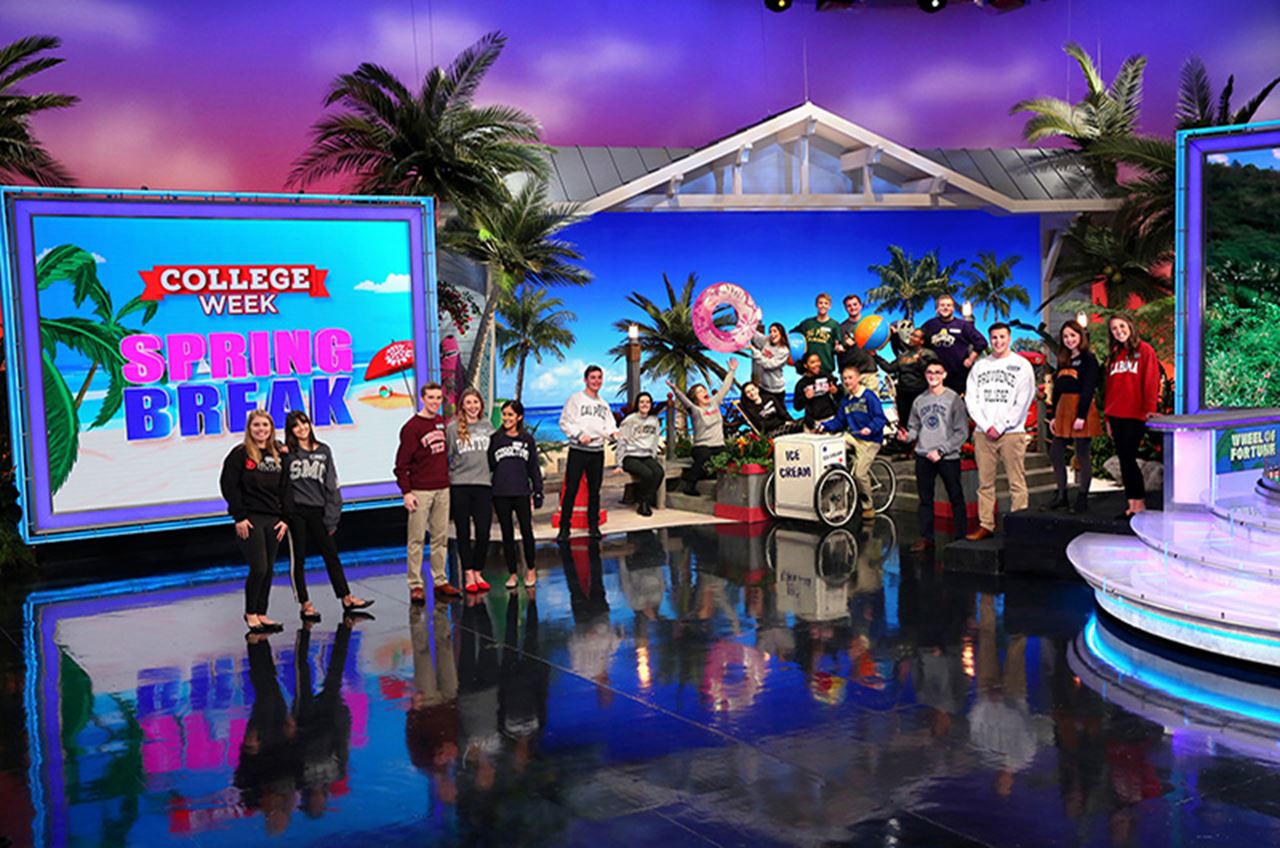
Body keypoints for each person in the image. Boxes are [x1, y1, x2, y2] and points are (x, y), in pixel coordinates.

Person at [282, 410, 373, 621]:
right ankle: (305, 604)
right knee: (299, 559)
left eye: (304, 423)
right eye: (296, 426)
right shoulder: (287, 453)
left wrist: (332, 516)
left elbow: (332, 485)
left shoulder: (324, 450)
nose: (302, 428)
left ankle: (346, 597)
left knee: (331, 555)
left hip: (319, 511)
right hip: (296, 513)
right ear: (291, 430)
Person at [220, 409, 290, 634]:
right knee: (258, 567)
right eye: (257, 425)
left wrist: (286, 519)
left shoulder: (279, 454)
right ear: (250, 429)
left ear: (271, 429)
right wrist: (239, 516)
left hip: (274, 519)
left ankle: (262, 612)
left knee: (269, 569)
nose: (261, 429)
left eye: (265, 426)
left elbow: (287, 488)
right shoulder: (240, 454)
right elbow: (229, 486)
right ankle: (250, 613)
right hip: (250, 519)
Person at [964, 323, 1035, 540]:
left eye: (1002, 337)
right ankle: (986, 524)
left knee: (1016, 481)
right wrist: (985, 426)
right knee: (985, 483)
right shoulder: (980, 366)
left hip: (1012, 432)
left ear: (1009, 338)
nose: (998, 341)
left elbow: (1024, 400)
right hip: (984, 434)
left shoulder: (1022, 365)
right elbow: (971, 398)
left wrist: (1003, 425)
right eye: (994, 338)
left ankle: (1020, 526)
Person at [396, 382, 459, 603]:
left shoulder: (441, 423)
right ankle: (415, 583)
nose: (434, 402)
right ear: (422, 398)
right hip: (420, 490)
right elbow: (401, 465)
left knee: (440, 537)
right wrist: (406, 492)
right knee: (416, 539)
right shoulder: (411, 427)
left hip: (442, 488)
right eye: (430, 397)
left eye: (438, 398)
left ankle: (440, 579)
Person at [898, 361, 970, 551]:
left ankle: (961, 536)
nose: (933, 375)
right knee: (925, 500)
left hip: (947, 457)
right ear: (925, 375)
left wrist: (941, 451)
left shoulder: (954, 399)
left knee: (956, 497)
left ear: (944, 375)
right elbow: (914, 427)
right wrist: (907, 437)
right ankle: (926, 538)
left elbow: (961, 432)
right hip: (923, 455)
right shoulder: (919, 400)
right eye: (930, 372)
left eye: (938, 372)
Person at [1104, 313, 1161, 519]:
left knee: (1128, 459)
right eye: (1114, 329)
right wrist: (1108, 418)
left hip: (1135, 415)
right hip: (1116, 414)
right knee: (1125, 460)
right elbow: (1109, 388)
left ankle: (1140, 504)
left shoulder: (1145, 350)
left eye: (1121, 326)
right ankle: (1131, 504)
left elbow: (1151, 380)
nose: (1119, 331)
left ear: (1130, 325)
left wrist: (1149, 408)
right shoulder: (1114, 354)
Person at [815, 362, 888, 519]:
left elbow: (880, 418)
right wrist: (824, 426)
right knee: (832, 443)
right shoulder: (846, 400)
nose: (847, 381)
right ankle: (839, 476)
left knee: (861, 474)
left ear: (858, 378)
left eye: (850, 378)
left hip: (870, 440)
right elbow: (839, 421)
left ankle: (868, 506)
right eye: (845, 378)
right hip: (853, 437)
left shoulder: (869, 396)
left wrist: (870, 428)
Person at [1046, 320, 1102, 514]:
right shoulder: (1063, 360)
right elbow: (1057, 391)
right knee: (1055, 452)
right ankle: (1062, 495)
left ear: (1081, 336)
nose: (1069, 340)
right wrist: (1053, 416)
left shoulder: (1089, 359)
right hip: (1063, 408)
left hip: (1081, 408)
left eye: (1073, 335)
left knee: (1082, 455)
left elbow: (1088, 388)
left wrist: (1081, 415)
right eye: (1066, 336)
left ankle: (1082, 497)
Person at [557, 365, 618, 541]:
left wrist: (614, 434)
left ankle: (594, 526)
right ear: (585, 380)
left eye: (599, 377)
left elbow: (609, 427)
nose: (596, 381)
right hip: (578, 451)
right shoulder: (575, 399)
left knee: (594, 491)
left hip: (597, 452)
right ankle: (564, 528)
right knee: (571, 491)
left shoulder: (604, 405)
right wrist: (578, 435)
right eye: (593, 377)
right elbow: (564, 422)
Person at [488, 400, 545, 589]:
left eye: (510, 414)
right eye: (504, 414)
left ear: (519, 417)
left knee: (526, 531)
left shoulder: (527, 439)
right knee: (506, 534)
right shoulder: (495, 439)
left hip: (521, 492)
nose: (506, 418)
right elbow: (491, 465)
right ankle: (512, 573)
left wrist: (538, 491)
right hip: (501, 493)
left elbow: (533, 467)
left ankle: (530, 568)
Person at [447, 388, 495, 594]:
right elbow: (447, 457)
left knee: (484, 532)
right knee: (463, 532)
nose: (472, 406)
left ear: (481, 405)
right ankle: (468, 573)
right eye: (468, 403)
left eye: (476, 402)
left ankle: (478, 570)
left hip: (484, 485)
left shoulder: (488, 426)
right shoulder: (452, 428)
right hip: (460, 485)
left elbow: (494, 456)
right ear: (462, 406)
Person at [667, 359, 738, 496]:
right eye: (700, 391)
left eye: (704, 389)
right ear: (695, 397)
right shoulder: (695, 410)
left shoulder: (715, 403)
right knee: (705, 457)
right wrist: (675, 390)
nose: (704, 391)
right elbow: (685, 401)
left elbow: (725, 387)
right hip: (702, 446)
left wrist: (732, 370)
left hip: (718, 445)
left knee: (729, 458)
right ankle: (690, 484)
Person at [921, 294, 988, 394]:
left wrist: (971, 359)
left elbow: (981, 342)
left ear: (953, 308)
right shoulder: (929, 325)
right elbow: (917, 342)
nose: (945, 308)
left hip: (958, 375)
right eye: (942, 305)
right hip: (935, 376)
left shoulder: (963, 325)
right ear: (937, 309)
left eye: (949, 305)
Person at [616, 392, 664, 516]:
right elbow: (622, 441)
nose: (645, 404)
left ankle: (645, 500)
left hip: (646, 456)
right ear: (637, 404)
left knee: (659, 472)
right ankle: (643, 503)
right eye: (642, 402)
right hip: (630, 456)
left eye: (647, 402)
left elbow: (654, 440)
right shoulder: (630, 420)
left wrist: (653, 457)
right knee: (647, 474)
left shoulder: (654, 421)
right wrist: (619, 464)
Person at [885, 326, 940, 428]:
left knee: (922, 422)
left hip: (920, 393)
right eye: (912, 335)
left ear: (922, 341)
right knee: (905, 423)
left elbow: (934, 373)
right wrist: (875, 356)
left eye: (915, 336)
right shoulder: (903, 355)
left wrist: (921, 361)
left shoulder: (929, 354)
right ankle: (906, 442)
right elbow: (890, 368)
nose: (911, 337)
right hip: (903, 393)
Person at [837, 294, 883, 392]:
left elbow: (881, 343)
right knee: (852, 406)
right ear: (845, 308)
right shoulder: (840, 328)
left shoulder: (871, 324)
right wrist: (840, 348)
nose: (852, 307)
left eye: (855, 304)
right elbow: (835, 348)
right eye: (849, 306)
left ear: (860, 306)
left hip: (869, 372)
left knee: (872, 405)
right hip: (849, 375)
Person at [790, 292, 842, 375]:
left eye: (826, 303)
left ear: (830, 306)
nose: (823, 305)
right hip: (808, 369)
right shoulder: (807, 323)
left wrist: (838, 348)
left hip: (826, 368)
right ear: (816, 305)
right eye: (820, 303)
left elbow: (839, 345)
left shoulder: (834, 325)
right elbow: (792, 335)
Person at [749, 322, 791, 411]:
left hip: (776, 389)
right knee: (764, 411)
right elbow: (755, 335)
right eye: (770, 331)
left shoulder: (784, 351)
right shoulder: (766, 340)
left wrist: (754, 351)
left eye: (775, 331)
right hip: (763, 386)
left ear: (781, 333)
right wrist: (747, 324)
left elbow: (768, 365)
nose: (772, 334)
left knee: (781, 412)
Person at [792, 352, 840, 430]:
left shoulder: (827, 376)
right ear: (805, 365)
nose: (817, 364)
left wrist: (836, 391)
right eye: (812, 362)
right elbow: (797, 407)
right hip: (812, 423)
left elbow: (839, 396)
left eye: (818, 361)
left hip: (830, 419)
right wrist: (805, 397)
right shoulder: (801, 384)